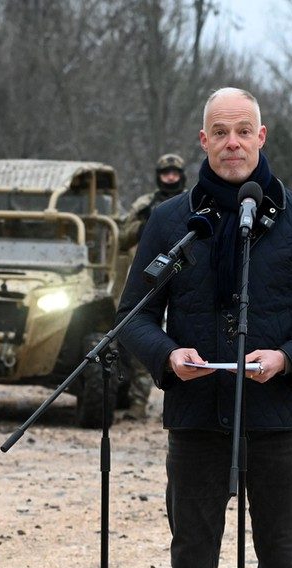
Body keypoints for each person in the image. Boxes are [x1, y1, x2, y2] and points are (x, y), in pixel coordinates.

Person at [117, 87, 292, 568]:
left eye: (243, 131)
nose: (233, 143)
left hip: (276, 420)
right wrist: (169, 356)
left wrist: (289, 357)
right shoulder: (170, 220)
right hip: (197, 417)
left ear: (261, 137)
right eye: (221, 133)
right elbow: (132, 316)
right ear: (203, 140)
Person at [118, 153, 187, 418]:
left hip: (185, 277)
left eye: (174, 173)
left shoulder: (195, 202)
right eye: (165, 173)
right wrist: (144, 227)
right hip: (150, 277)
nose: (170, 177)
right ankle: (138, 403)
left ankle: (180, 401)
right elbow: (122, 237)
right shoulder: (145, 204)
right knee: (141, 337)